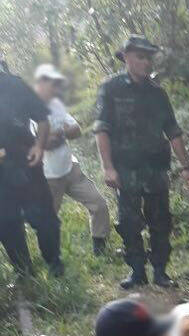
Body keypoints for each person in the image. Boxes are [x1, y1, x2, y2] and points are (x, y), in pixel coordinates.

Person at [94, 35, 189, 289]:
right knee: (129, 223)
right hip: (125, 168)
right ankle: (137, 272)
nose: (146, 62)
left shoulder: (157, 93)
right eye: (141, 57)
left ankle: (160, 271)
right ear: (126, 58)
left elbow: (173, 131)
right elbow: (102, 129)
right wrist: (108, 167)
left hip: (155, 168)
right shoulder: (111, 89)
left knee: (160, 220)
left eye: (149, 57)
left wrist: (186, 167)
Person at [33, 64, 110, 256]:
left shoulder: (57, 106)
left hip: (70, 168)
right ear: (41, 84)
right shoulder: (30, 110)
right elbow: (44, 144)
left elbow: (77, 130)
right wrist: (58, 134)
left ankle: (99, 249)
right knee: (49, 219)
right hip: (48, 175)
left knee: (99, 204)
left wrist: (57, 133)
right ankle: (51, 259)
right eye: (52, 84)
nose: (56, 88)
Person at [0, 55, 63, 275]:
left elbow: (42, 118)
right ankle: (24, 272)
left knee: (42, 216)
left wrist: (39, 146)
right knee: (6, 222)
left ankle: (54, 262)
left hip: (25, 163)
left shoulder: (14, 84)